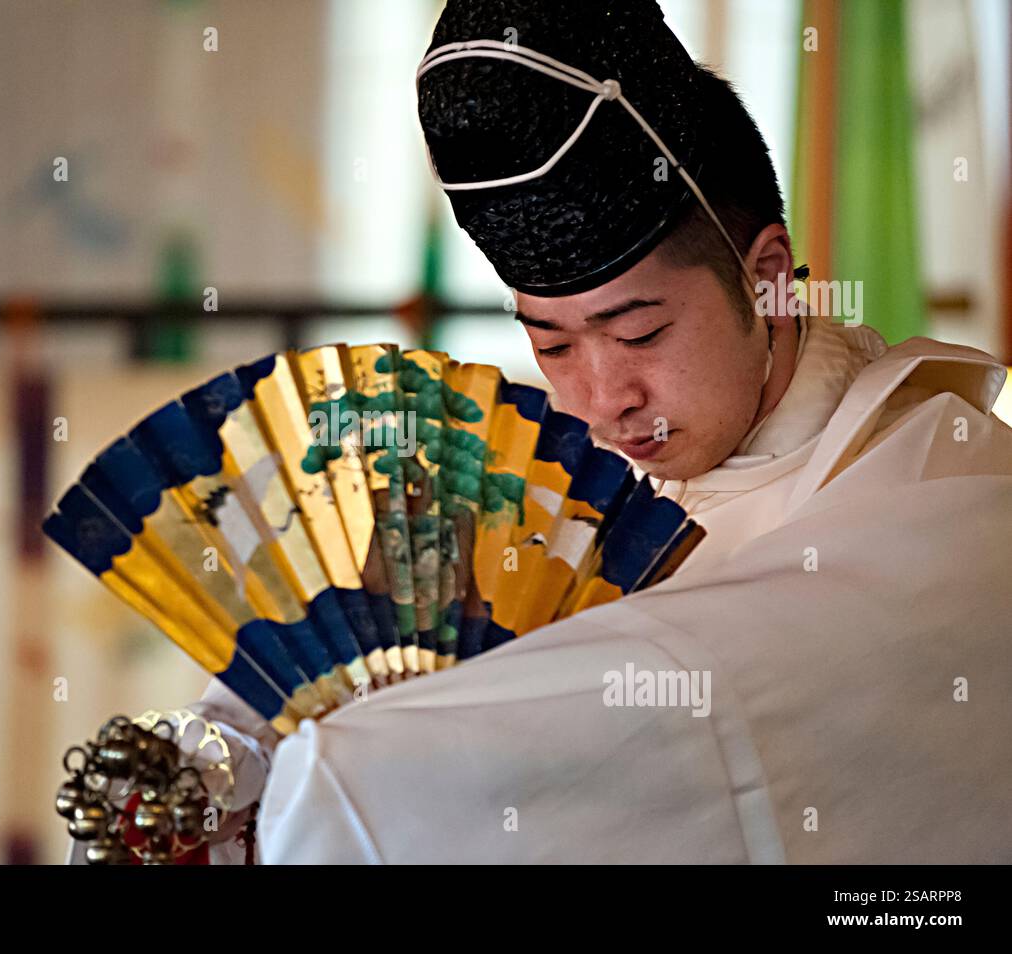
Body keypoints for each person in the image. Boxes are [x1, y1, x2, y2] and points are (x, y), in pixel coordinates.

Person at [171, 0, 1012, 863]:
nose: (603, 399)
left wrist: (373, 770)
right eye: (553, 344)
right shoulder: (526, 503)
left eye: (642, 333)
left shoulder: (945, 495)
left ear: (766, 280)